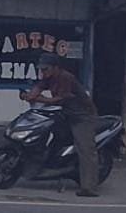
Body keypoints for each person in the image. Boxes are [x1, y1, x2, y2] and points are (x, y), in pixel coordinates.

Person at [22, 52, 99, 197]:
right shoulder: (48, 78)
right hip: (65, 113)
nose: (43, 72)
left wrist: (40, 99)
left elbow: (59, 99)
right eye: (41, 69)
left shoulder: (66, 77)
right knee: (44, 132)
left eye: (46, 69)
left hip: (82, 116)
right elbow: (38, 87)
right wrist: (30, 95)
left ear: (56, 68)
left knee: (85, 150)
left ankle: (89, 187)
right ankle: (45, 166)